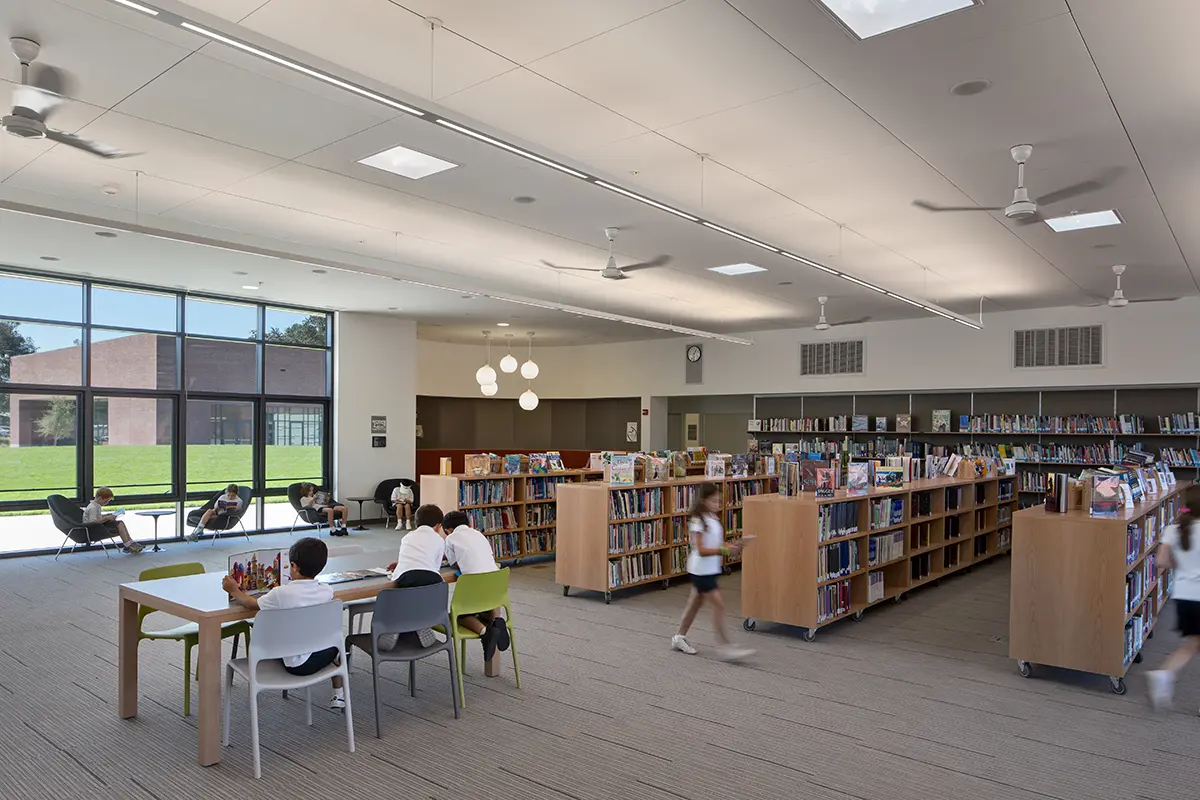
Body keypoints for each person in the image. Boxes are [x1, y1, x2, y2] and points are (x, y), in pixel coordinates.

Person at [223, 537, 347, 710]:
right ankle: (339, 695)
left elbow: (251, 604)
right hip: (320, 654)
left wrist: (234, 590)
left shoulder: (281, 594)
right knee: (338, 645)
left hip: (294, 664)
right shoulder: (327, 591)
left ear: (295, 567)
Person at [671, 482, 753, 661]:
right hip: (701, 571)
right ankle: (726, 646)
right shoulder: (698, 522)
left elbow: (715, 544)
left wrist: (733, 546)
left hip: (710, 569)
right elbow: (700, 550)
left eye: (718, 500)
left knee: (694, 604)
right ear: (703, 501)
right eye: (713, 500)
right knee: (719, 605)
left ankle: (679, 637)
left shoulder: (713, 518)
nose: (717, 503)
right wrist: (724, 550)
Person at [1146, 486, 1200, 710]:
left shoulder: (1174, 529)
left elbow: (1161, 561)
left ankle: (1165, 675)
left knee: (1193, 644)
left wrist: (1181, 566)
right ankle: (1164, 675)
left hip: (1183, 596)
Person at [442, 510, 510, 665]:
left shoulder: (451, 538)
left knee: (459, 615)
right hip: (495, 589)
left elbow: (453, 563)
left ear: (448, 530)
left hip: (475, 586)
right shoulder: (479, 534)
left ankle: (485, 632)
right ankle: (496, 620)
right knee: (482, 608)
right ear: (469, 524)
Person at [383, 503, 448, 648]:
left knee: (400, 595)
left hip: (407, 576)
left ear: (416, 522)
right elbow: (433, 567)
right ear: (438, 526)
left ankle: (396, 623)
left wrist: (400, 564)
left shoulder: (407, 537)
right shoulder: (439, 540)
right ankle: (422, 622)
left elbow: (411, 558)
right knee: (428, 592)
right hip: (432, 579)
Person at [83, 487, 144, 553]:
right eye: (106, 501)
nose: (106, 503)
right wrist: (106, 518)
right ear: (100, 498)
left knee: (120, 523)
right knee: (119, 524)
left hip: (98, 526)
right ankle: (127, 545)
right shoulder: (93, 508)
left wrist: (107, 515)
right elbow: (92, 522)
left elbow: (97, 517)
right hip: (94, 529)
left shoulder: (96, 505)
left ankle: (130, 542)